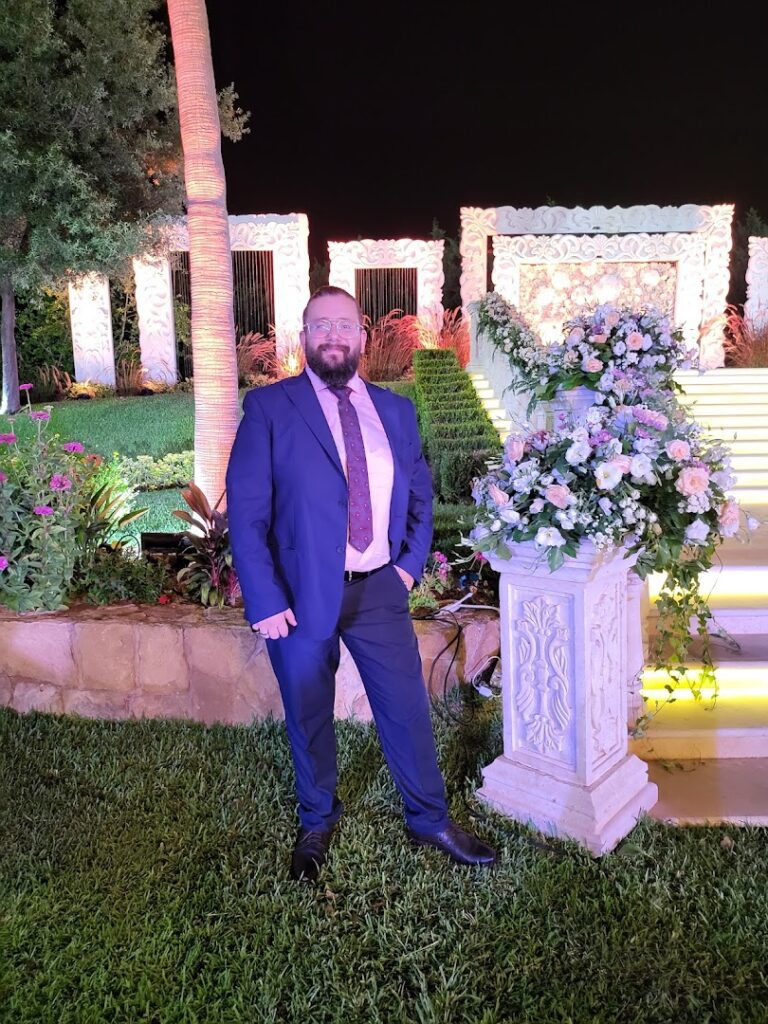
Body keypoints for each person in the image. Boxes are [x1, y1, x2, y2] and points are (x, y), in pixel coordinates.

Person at [226, 286, 497, 882]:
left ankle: (429, 819)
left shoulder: (394, 410)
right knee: (309, 712)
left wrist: (406, 565)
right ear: (303, 337)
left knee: (405, 708)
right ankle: (317, 820)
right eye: (320, 325)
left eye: (344, 325)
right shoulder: (270, 409)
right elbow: (246, 514)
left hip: (378, 588)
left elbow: (420, 494)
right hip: (297, 597)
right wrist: (266, 599)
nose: (332, 335)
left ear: (363, 337)